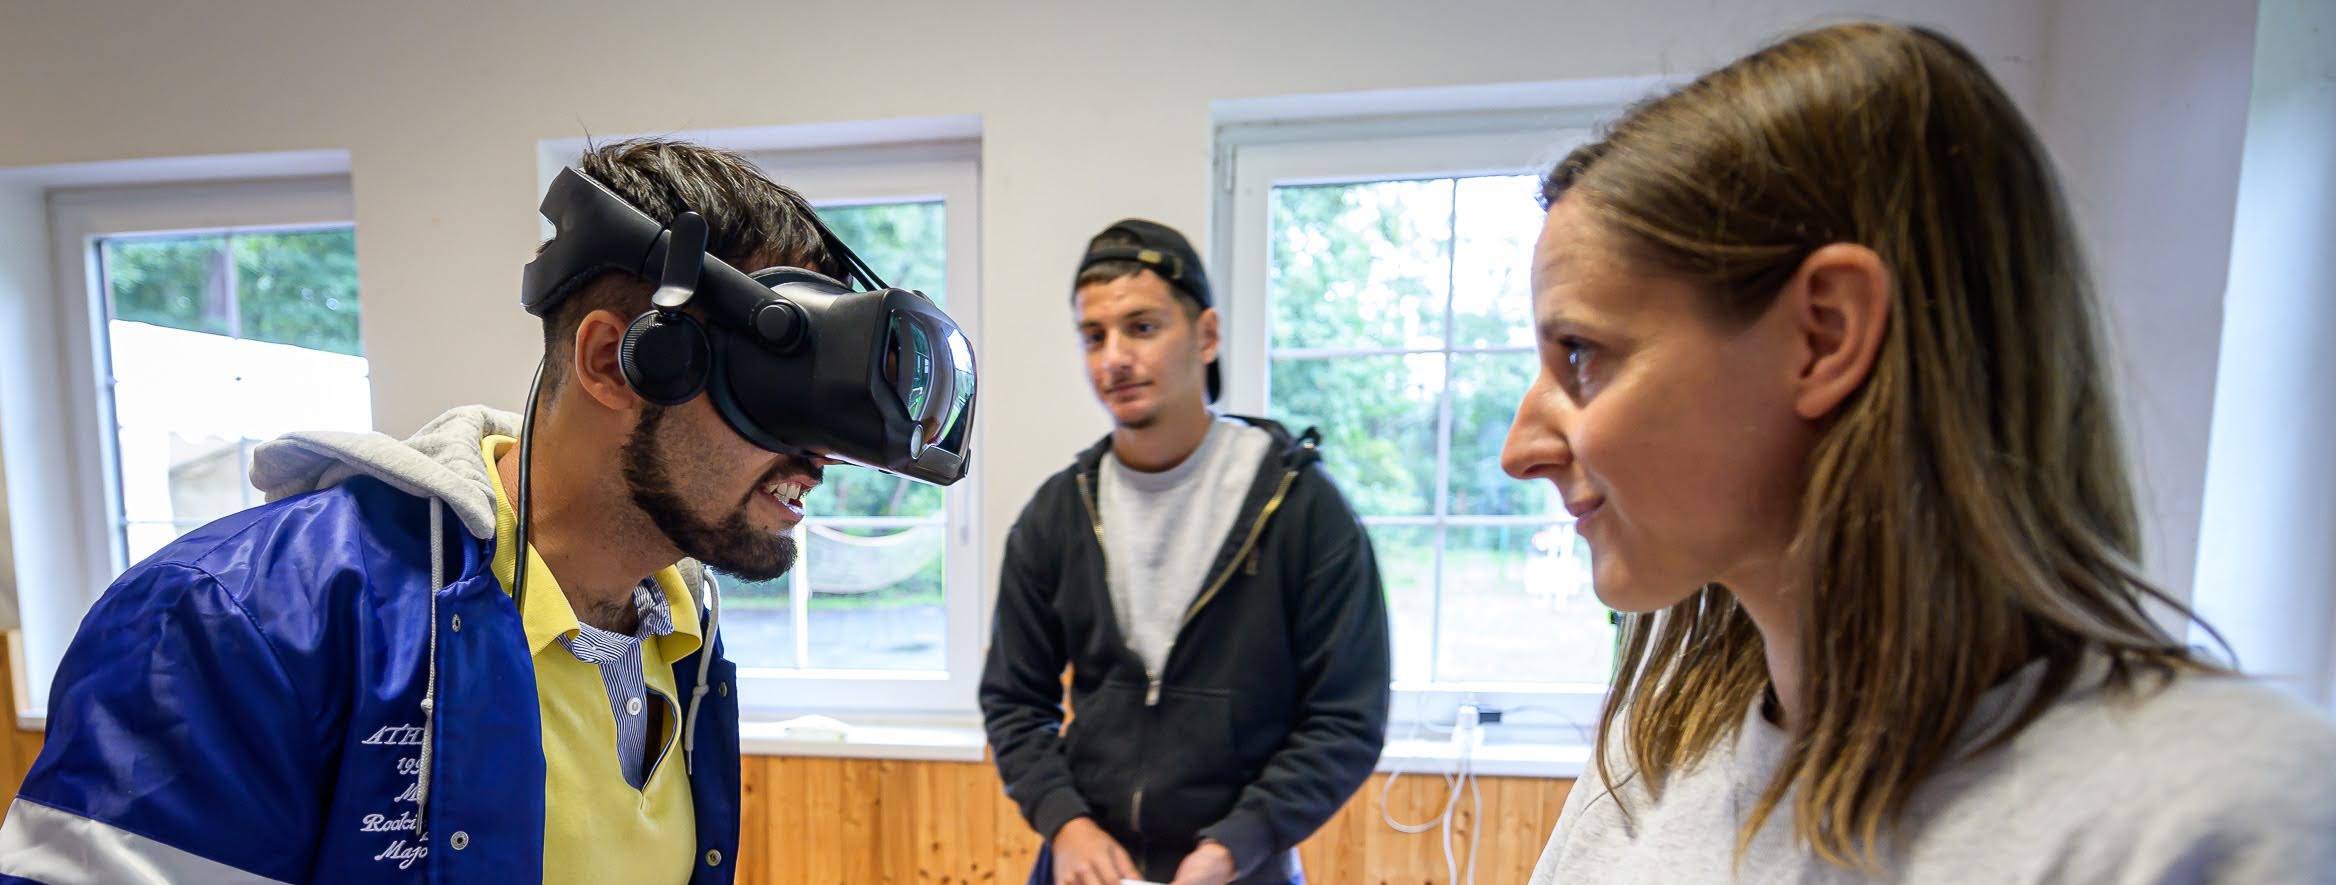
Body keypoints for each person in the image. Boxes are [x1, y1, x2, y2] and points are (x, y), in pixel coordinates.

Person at [0, 139, 977, 884]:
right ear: (612, 362)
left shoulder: (683, 634)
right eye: (781, 398)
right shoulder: (234, 624)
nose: (822, 457)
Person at [1503, 22, 2336, 883]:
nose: (1521, 449)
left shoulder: (2220, 813)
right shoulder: (1650, 774)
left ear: (1826, 334)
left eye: (1580, 353)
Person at [981, 220, 1390, 885]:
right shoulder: (1056, 513)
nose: (1113, 357)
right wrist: (1068, 824)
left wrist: (1235, 844)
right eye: (1094, 335)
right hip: (1086, 867)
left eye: (1142, 327)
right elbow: (1012, 699)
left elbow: (1346, 718)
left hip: (1242, 867)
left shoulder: (1302, 508)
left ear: (1206, 334)